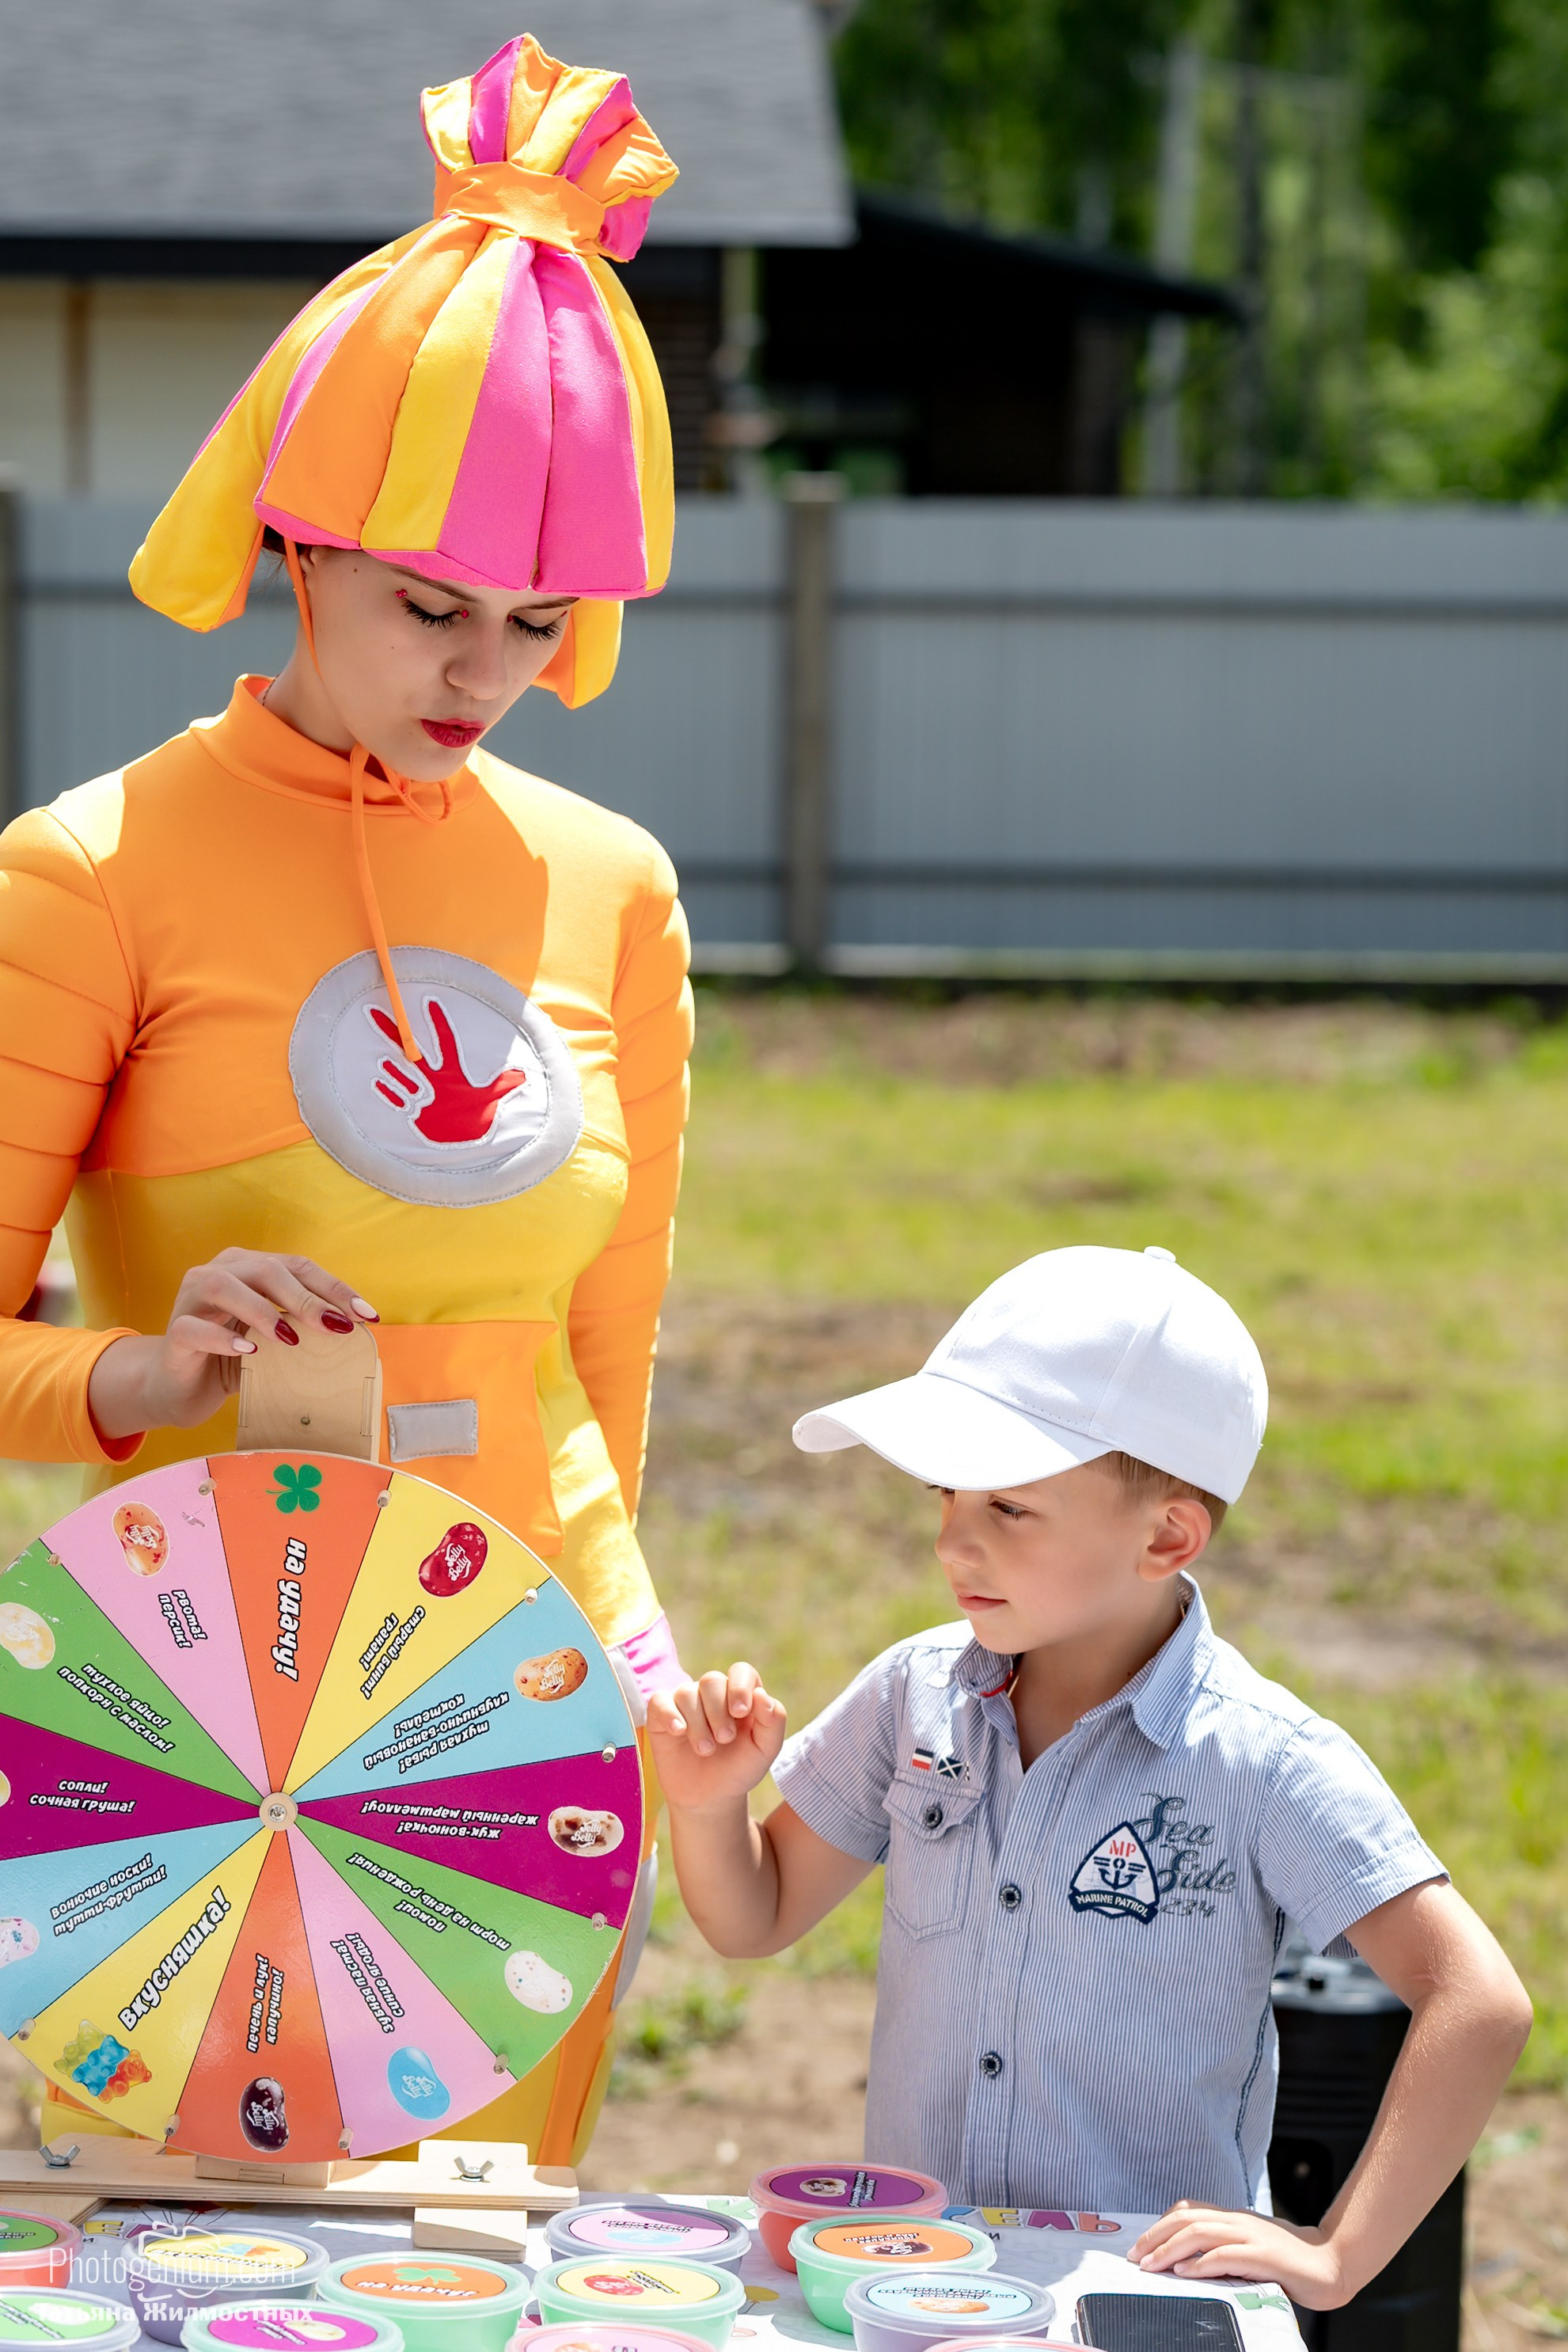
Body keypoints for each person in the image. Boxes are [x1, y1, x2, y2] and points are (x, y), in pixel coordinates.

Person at [0, 32, 692, 2162]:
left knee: (496, 2254)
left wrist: (623, 1669)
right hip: (214, 1720)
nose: (482, 673)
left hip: (533, 1705)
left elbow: (603, 1355)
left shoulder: (612, 882)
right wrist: (148, 1373)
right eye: (428, 607)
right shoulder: (87, 869)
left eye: (538, 620)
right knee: (221, 2273)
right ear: (296, 546)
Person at [649, 1245, 1532, 2312]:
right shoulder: (912, 1694)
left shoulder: (1262, 1759)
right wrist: (709, 1801)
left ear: (1167, 1536)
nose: (953, 1544)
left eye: (1009, 1509)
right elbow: (756, 1915)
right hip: (918, 2283)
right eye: (945, 1495)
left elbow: (1477, 2000)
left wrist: (1338, 2255)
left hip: (1149, 2300)